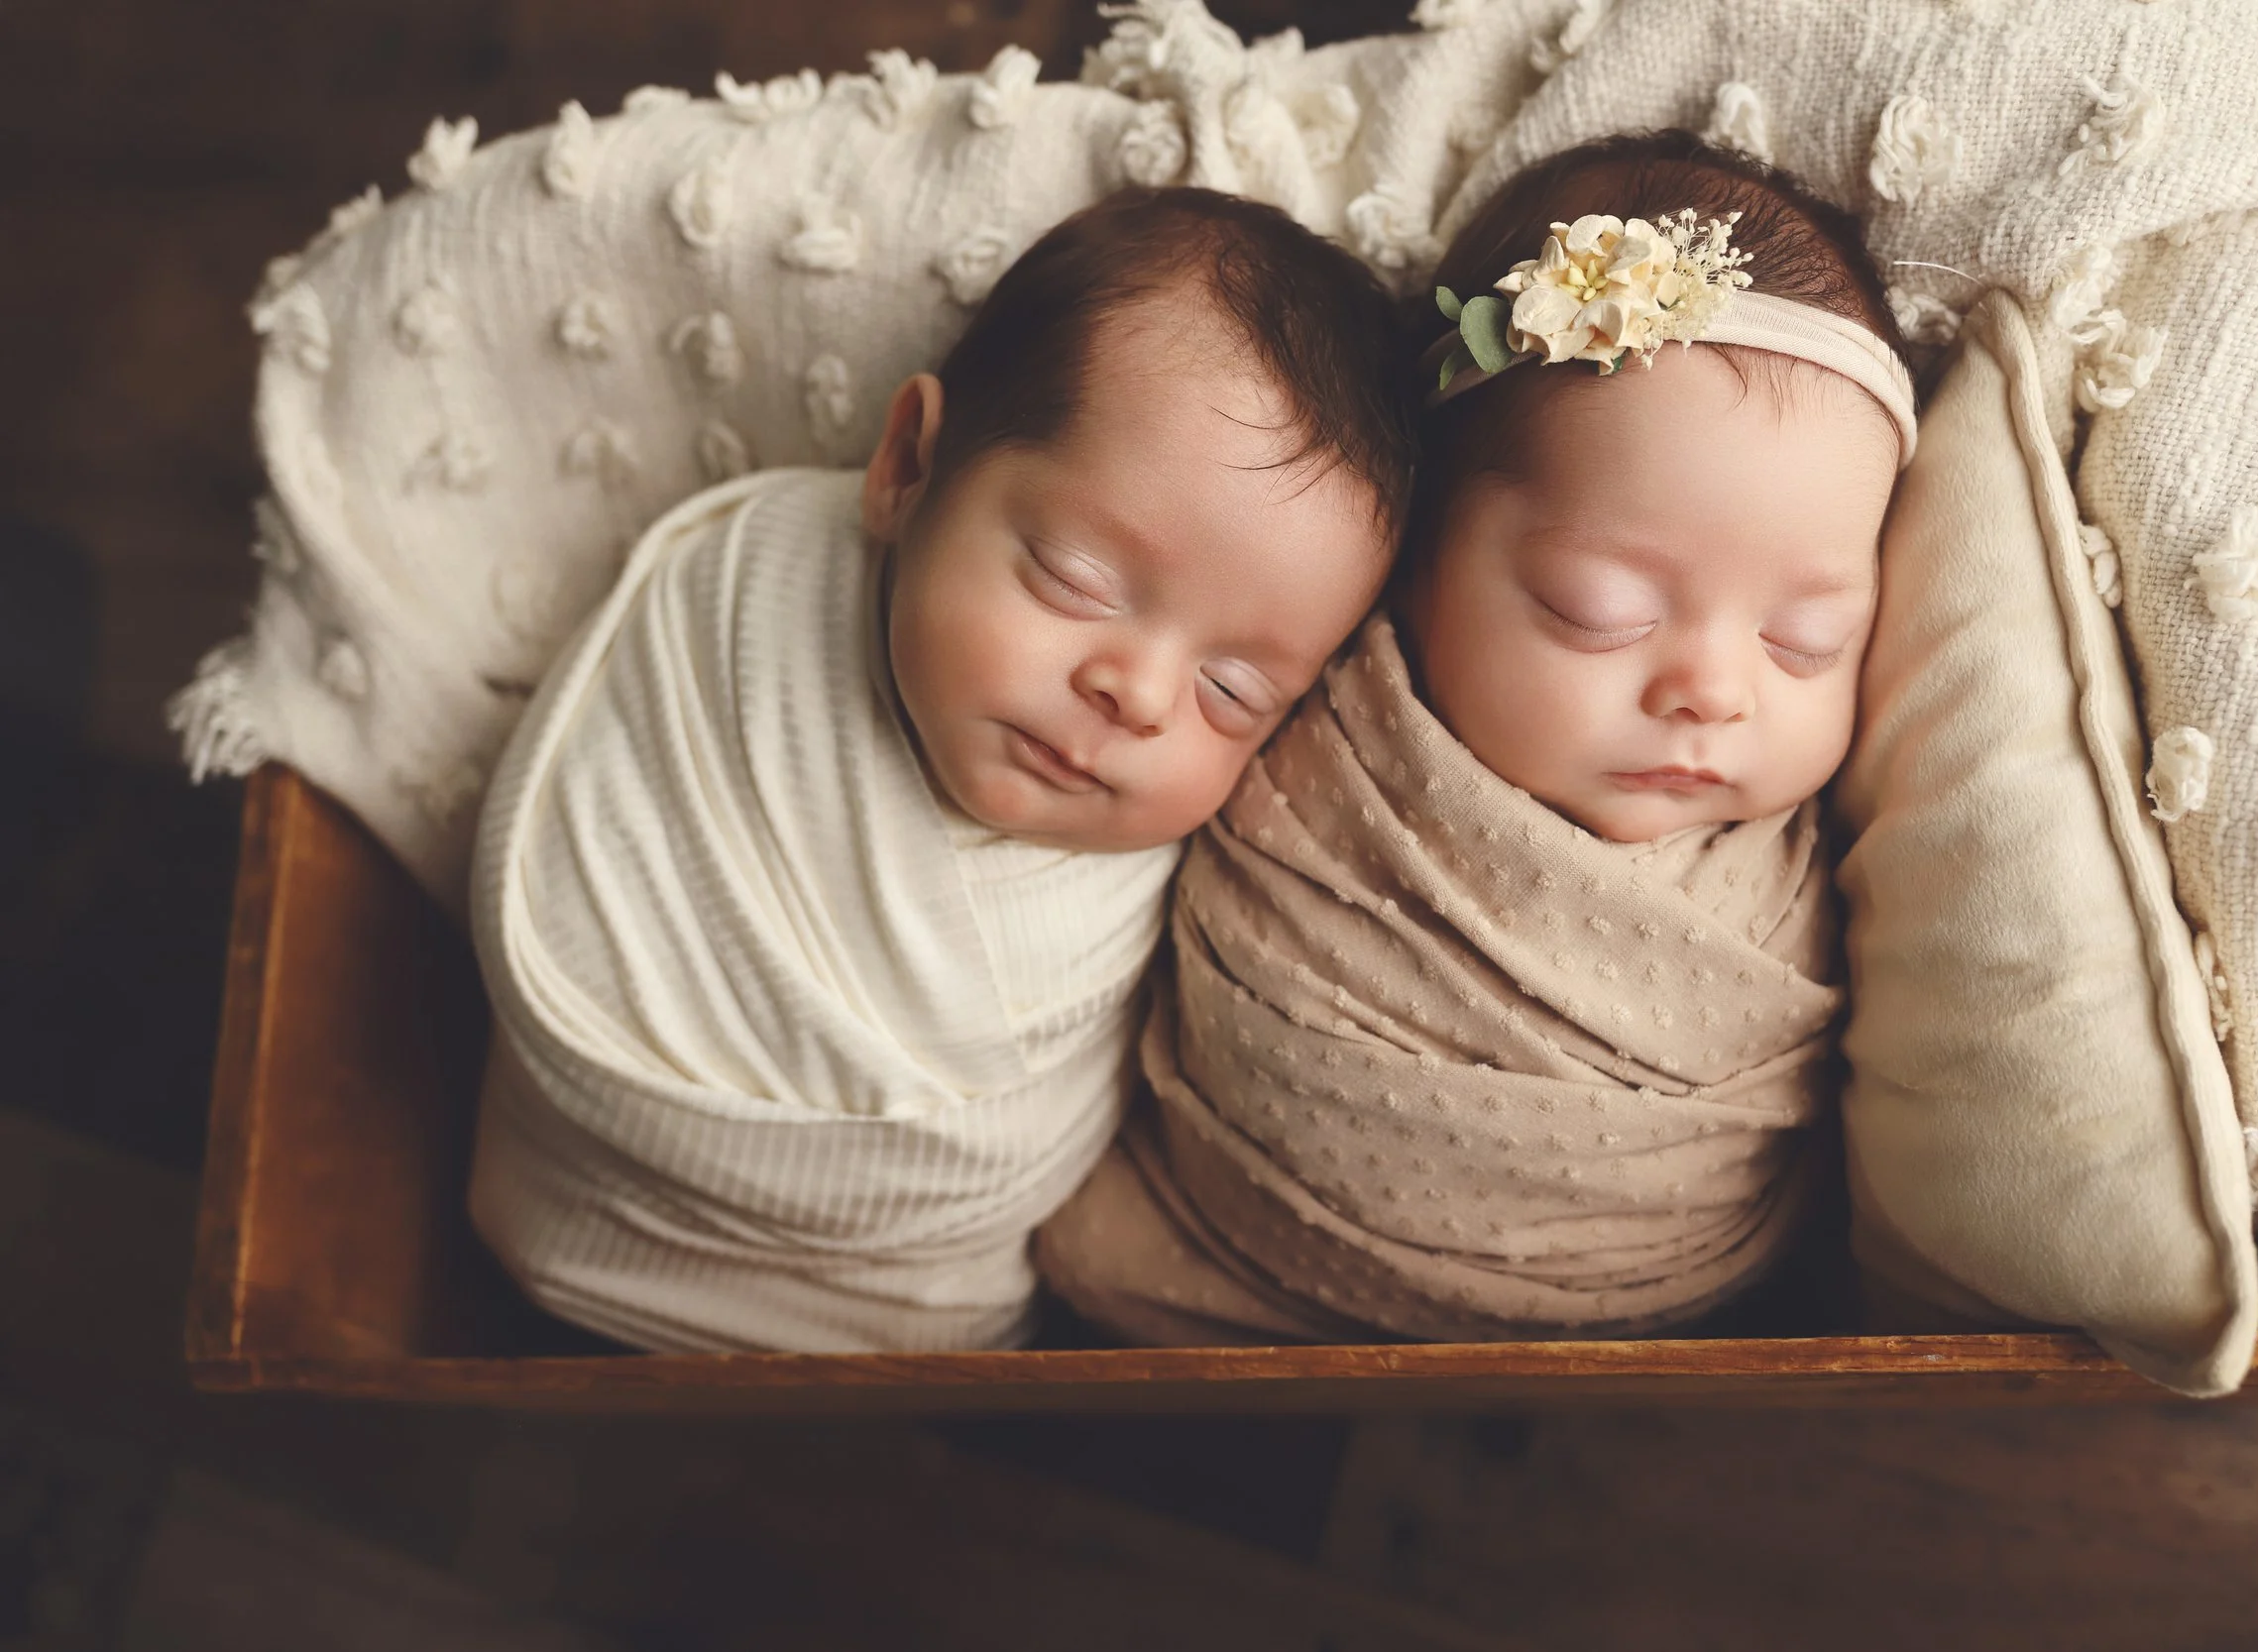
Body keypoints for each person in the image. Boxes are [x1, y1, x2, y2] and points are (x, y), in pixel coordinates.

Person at [466, 187, 1417, 1353]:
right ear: (907, 465)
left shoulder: (1223, 882)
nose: (1140, 694)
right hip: (567, 1203)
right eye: (1075, 577)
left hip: (911, 1323)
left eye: (1235, 692)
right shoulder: (737, 600)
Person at [1038, 132, 1917, 1345]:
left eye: (1807, 639)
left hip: (1690, 1360)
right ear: (1416, 551)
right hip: (1195, 1291)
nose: (1715, 692)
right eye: (1595, 612)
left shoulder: (1827, 863)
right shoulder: (1301, 726)